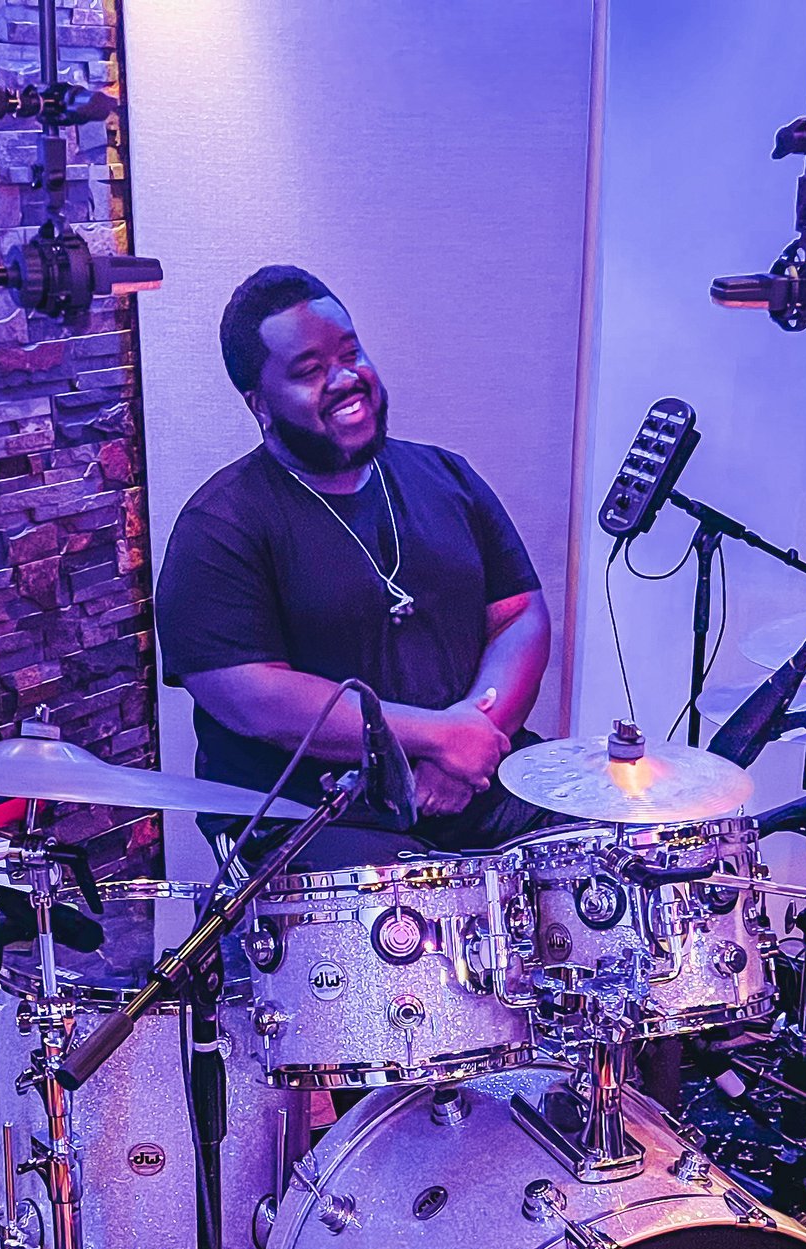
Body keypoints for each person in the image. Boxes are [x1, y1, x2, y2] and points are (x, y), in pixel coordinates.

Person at [155, 265, 556, 865]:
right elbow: (252, 697)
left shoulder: (447, 477)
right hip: (315, 818)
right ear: (260, 404)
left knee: (614, 843)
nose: (345, 379)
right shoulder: (220, 526)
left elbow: (518, 616)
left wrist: (471, 746)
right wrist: (436, 737)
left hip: (477, 783)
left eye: (350, 352)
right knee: (408, 942)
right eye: (310, 371)